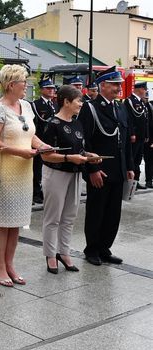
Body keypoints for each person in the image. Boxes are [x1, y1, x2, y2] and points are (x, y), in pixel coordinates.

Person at [0, 64, 50, 287]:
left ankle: (10, 264)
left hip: (24, 171)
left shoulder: (26, 106)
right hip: (5, 170)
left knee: (16, 223)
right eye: (24, 81)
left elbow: (31, 135)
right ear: (11, 84)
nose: (27, 86)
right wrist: (19, 151)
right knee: (2, 223)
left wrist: (43, 146)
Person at [77, 66, 133, 266]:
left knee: (113, 213)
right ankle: (91, 248)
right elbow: (84, 141)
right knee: (96, 211)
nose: (119, 88)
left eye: (119, 84)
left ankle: (104, 248)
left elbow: (125, 140)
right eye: (115, 84)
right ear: (102, 85)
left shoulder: (120, 107)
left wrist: (129, 166)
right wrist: (92, 169)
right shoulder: (90, 107)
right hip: (100, 169)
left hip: (118, 169)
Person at [40, 85, 100, 273]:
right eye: (78, 100)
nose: (81, 104)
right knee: (53, 217)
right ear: (66, 101)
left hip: (74, 173)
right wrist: (68, 158)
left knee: (69, 217)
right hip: (56, 173)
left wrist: (90, 155)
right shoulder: (52, 124)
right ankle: (50, 255)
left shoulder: (77, 123)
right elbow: (45, 155)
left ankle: (63, 252)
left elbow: (78, 150)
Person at [31, 76, 57, 204]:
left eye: (52, 88)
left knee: (49, 169)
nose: (51, 90)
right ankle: (36, 192)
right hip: (39, 141)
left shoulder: (55, 105)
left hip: (52, 142)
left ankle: (44, 192)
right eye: (48, 88)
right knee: (37, 168)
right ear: (41, 90)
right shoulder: (36, 105)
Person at [124, 81, 149, 190]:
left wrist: (146, 135)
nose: (145, 92)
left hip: (141, 136)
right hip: (134, 137)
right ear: (139, 89)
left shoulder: (141, 102)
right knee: (132, 159)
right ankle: (129, 181)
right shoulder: (129, 101)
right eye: (144, 89)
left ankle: (136, 181)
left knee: (138, 160)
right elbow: (129, 120)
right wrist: (132, 133)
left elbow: (145, 120)